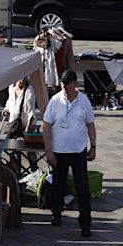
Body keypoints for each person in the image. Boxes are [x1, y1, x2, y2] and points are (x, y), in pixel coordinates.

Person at [42, 70, 97, 237]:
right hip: (59, 152)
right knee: (58, 185)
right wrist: (49, 151)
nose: (64, 87)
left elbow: (90, 125)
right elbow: (46, 126)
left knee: (82, 188)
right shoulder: (55, 101)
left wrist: (93, 146)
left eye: (67, 84)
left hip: (78, 151)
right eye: (62, 84)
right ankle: (56, 214)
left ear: (75, 84)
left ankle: (85, 223)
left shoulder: (83, 101)